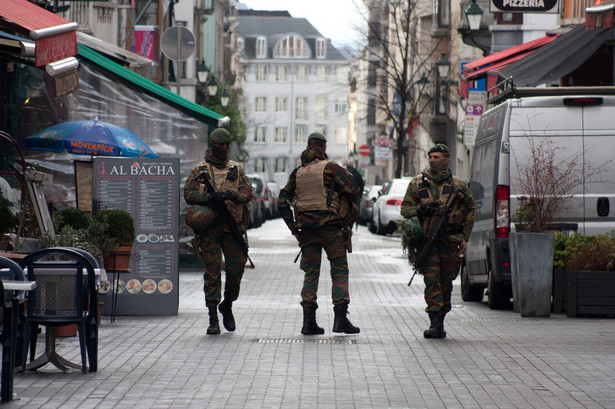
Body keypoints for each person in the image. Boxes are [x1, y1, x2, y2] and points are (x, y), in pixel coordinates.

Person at [278, 132, 360, 335]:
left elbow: (282, 202)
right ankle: (340, 320)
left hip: (307, 231)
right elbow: (353, 191)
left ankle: (308, 323)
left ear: (308, 147)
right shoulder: (331, 168)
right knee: (339, 271)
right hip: (332, 229)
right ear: (324, 148)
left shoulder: (298, 172)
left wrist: (294, 229)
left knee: (310, 274)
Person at [400, 143, 475, 339]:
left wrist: (465, 237)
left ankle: (441, 319)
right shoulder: (417, 184)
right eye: (430, 156)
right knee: (431, 281)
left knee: (446, 282)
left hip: (451, 241)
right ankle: (434, 322)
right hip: (428, 242)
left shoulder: (459, 185)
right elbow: (405, 209)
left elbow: (470, 210)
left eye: (437, 157)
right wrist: (419, 210)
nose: (432, 160)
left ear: (446, 159)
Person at [183, 128, 253, 335]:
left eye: (226, 146)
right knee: (212, 273)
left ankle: (227, 305)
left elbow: (248, 192)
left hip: (233, 228)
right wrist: (209, 198)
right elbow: (189, 194)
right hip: (210, 230)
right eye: (219, 146)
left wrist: (236, 195)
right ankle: (213, 317)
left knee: (235, 270)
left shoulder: (237, 170)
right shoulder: (200, 170)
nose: (223, 149)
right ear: (212, 146)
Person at [345, 159, 365, 230]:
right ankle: (351, 226)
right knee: (354, 211)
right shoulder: (357, 174)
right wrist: (360, 194)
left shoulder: (344, 173)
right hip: (355, 196)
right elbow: (362, 185)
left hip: (345, 196)